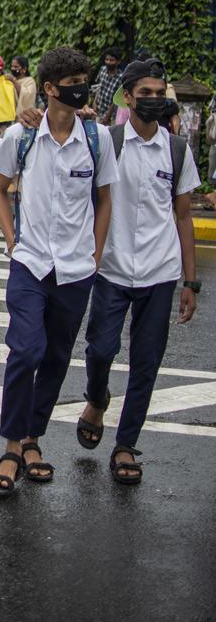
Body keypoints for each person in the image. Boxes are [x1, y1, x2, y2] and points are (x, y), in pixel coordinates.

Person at [0, 47, 117, 497]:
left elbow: (104, 201)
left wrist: (95, 254)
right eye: (72, 81)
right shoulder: (20, 138)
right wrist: (10, 238)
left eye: (85, 78)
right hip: (30, 263)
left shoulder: (96, 139)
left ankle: (32, 440)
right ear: (49, 88)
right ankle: (9, 446)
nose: (80, 87)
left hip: (76, 269)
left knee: (57, 356)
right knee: (25, 350)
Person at [75, 59, 199, 485]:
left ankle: (126, 445)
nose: (152, 100)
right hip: (109, 268)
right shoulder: (107, 142)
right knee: (100, 350)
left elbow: (183, 217)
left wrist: (190, 280)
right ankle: (96, 397)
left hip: (159, 272)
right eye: (143, 93)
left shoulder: (176, 150)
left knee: (146, 363)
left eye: (158, 92)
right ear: (127, 96)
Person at [94, 47, 124, 124]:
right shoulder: (102, 70)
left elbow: (116, 100)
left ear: (118, 62)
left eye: (111, 60)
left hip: (111, 115)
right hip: (99, 110)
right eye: (107, 59)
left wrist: (107, 115)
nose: (108, 62)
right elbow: (99, 87)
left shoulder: (121, 77)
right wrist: (95, 102)